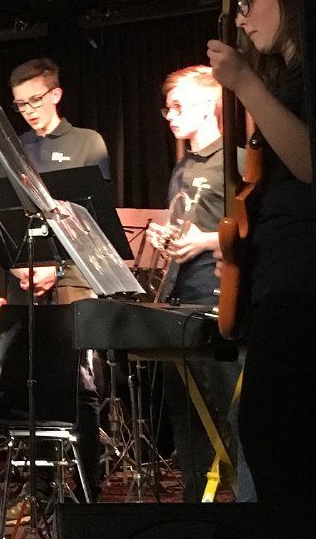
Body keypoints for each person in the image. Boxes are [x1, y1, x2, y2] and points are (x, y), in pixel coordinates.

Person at [206, 0, 316, 505]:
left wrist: (246, 82)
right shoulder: (287, 80)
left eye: (250, 0)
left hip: (303, 280)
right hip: (280, 275)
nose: (242, 17)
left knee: (274, 435)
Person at [3, 57, 110, 507]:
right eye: (20, 104)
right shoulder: (15, 147)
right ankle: (38, 487)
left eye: (35, 100)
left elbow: (93, 218)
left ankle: (88, 487)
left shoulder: (87, 142)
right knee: (31, 379)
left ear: (56, 94)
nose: (28, 110)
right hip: (28, 278)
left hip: (72, 279)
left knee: (77, 382)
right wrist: (20, 266)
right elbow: (8, 215)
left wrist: (57, 268)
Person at [147, 65, 243, 501]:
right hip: (179, 300)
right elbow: (183, 222)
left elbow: (250, 231)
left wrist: (204, 240)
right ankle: (195, 501)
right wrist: (164, 235)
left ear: (208, 105)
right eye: (167, 107)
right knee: (186, 413)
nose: (169, 115)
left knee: (229, 408)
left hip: (218, 300)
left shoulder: (235, 160)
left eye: (178, 106)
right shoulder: (183, 166)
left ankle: (242, 500)